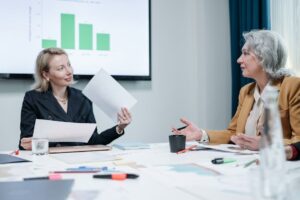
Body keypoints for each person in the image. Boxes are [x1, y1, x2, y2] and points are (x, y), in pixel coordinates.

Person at [173, 30, 300, 150]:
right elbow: (234, 133)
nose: (239, 60)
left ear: (264, 56)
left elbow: (298, 139)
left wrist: (266, 143)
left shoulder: (293, 86)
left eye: (245, 53)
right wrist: (201, 134)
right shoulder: (245, 91)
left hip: (276, 167)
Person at [19, 48, 132, 150]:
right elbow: (26, 144)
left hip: (80, 160)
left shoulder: (83, 98)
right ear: (46, 75)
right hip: (49, 162)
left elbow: (94, 141)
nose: (69, 71)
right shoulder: (32, 98)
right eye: (61, 68)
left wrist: (119, 127)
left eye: (69, 65)